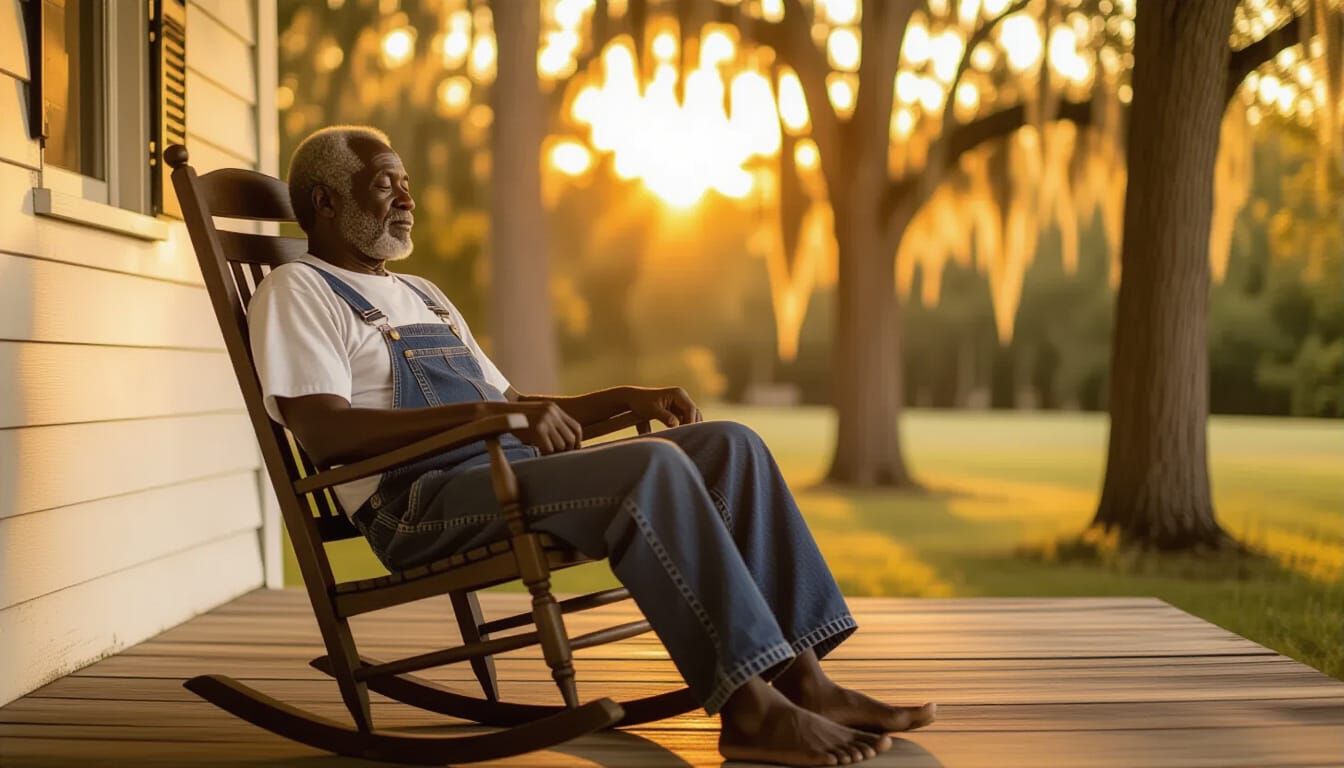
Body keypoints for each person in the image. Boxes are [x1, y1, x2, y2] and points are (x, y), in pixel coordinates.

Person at [248, 125, 935, 767]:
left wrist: (624, 398)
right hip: (418, 503)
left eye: (404, 182)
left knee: (731, 445)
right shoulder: (298, 290)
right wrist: (493, 420)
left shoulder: (419, 293)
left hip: (503, 473)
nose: (407, 196)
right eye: (385, 183)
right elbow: (322, 430)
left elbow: (514, 405)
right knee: (653, 468)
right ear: (325, 202)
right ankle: (750, 708)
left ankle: (805, 679)